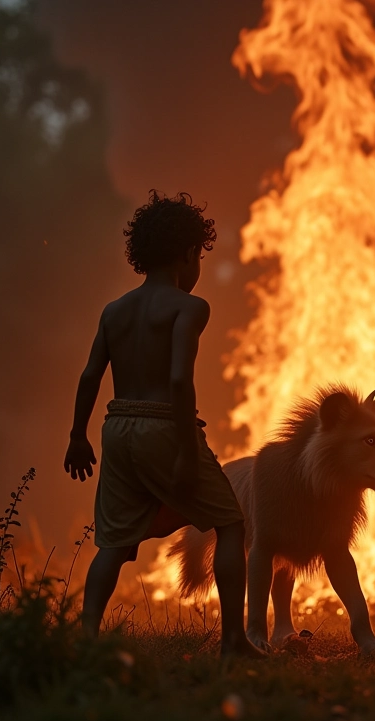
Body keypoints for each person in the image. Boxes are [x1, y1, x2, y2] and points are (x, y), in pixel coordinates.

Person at [63, 189, 263, 657]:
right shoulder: (189, 308)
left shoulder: (114, 311)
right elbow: (178, 381)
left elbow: (91, 374)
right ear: (190, 254)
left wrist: (77, 436)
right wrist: (187, 453)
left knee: (112, 541)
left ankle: (85, 643)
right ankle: (234, 640)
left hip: (116, 428)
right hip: (164, 425)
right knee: (230, 523)